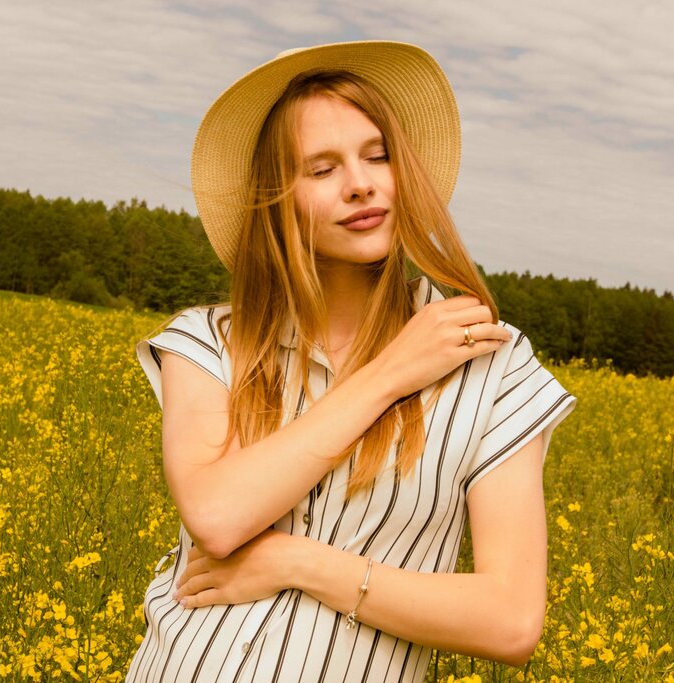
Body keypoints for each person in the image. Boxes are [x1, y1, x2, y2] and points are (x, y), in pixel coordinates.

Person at [125, 40, 577, 682]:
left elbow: (510, 621)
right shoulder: (208, 343)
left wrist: (298, 563)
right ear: (279, 200)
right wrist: (390, 374)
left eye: (378, 156)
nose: (360, 184)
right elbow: (218, 518)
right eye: (321, 169)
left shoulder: (491, 363)